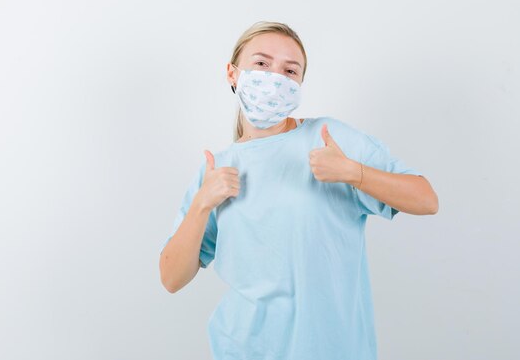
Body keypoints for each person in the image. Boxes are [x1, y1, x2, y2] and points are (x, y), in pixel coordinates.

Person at [158, 21, 439, 360]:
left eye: (290, 71)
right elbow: (172, 278)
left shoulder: (328, 139)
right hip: (244, 349)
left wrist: (354, 173)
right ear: (233, 74)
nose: (275, 77)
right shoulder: (217, 168)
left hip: (334, 349)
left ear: (300, 84)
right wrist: (202, 204)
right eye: (261, 64)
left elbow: (426, 199)